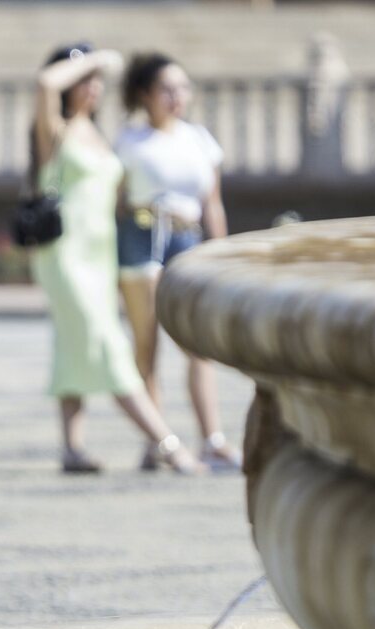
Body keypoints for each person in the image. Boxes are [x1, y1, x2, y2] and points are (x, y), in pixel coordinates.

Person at [29, 44, 201, 474]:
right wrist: (94, 58)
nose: (92, 86)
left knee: (72, 345)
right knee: (108, 345)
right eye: (83, 80)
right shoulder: (55, 129)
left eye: (96, 81)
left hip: (102, 253)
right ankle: (168, 444)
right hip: (65, 254)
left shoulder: (102, 134)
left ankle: (72, 447)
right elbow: (44, 83)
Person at [115, 52, 241, 472]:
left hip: (187, 237)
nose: (176, 97)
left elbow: (213, 204)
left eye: (182, 88)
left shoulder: (199, 139)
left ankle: (212, 438)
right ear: (145, 94)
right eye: (167, 89)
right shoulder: (129, 142)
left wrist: (221, 255)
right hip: (143, 234)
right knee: (146, 344)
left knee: (196, 343)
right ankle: (159, 441)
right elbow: (115, 201)